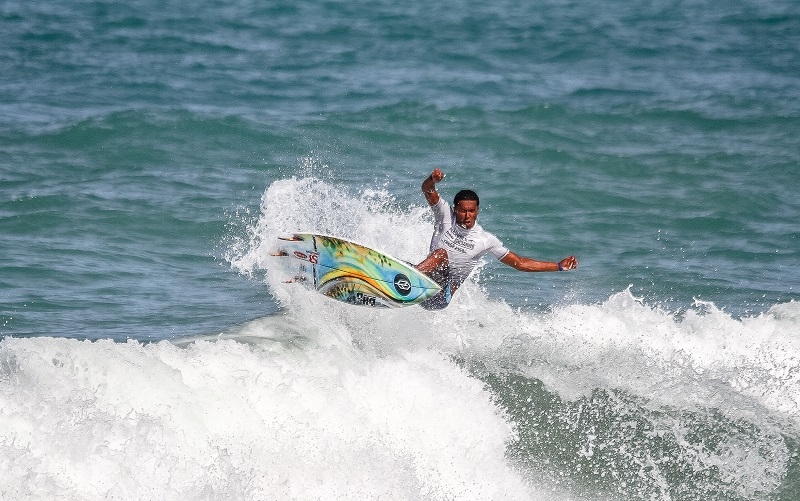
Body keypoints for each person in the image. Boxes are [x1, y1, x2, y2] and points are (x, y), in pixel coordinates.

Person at [415, 168, 577, 309]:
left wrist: (558, 266)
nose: (467, 216)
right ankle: (403, 279)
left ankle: (410, 276)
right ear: (455, 208)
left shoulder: (485, 240)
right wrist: (432, 180)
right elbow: (427, 189)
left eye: (471, 211)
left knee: (441, 254)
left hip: (439, 297)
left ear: (477, 210)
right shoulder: (445, 215)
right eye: (462, 211)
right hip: (421, 283)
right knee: (436, 256)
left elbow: (519, 263)